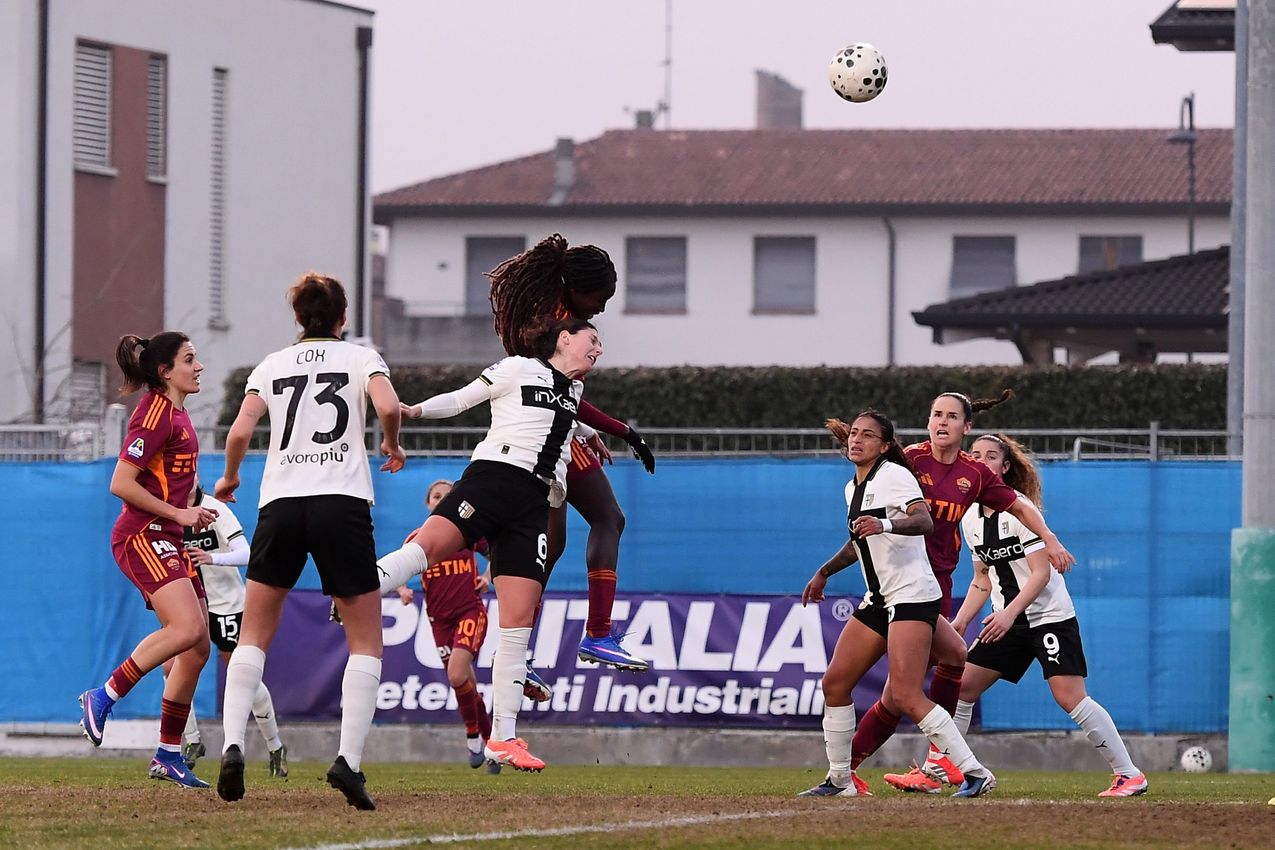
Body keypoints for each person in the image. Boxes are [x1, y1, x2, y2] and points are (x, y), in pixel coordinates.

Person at [375, 317, 604, 772]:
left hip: (534, 505)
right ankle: (362, 587)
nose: (598, 350)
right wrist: (415, 411)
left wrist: (589, 432)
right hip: (495, 478)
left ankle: (503, 737)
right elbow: (462, 399)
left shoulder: (573, 394)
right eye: (593, 340)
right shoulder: (518, 367)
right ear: (565, 338)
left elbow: (559, 422)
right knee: (429, 545)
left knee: (518, 621)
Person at [214, 272, 406, 810]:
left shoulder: (272, 364)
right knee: (365, 641)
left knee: (252, 634)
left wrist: (229, 478)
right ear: (342, 317)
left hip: (280, 505)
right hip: (340, 504)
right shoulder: (360, 356)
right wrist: (391, 445)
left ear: (298, 318)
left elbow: (238, 431)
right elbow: (388, 407)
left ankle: (232, 746)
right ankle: (348, 761)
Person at [851, 391, 1077, 794]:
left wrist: (1050, 537)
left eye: (951, 416)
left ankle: (878, 768)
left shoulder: (973, 473)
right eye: (936, 414)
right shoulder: (908, 460)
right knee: (907, 685)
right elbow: (869, 481)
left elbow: (1020, 507)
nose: (941, 422)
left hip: (932, 586)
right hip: (898, 583)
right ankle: (930, 766)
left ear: (965, 427)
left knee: (923, 676)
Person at [798, 411, 996, 799]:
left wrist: (885, 524)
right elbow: (861, 541)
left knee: (905, 694)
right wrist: (824, 572)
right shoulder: (852, 488)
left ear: (886, 445)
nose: (856, 440)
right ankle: (840, 780)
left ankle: (974, 772)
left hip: (911, 596)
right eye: (853, 434)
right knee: (835, 684)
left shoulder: (894, 475)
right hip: (881, 598)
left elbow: (923, 521)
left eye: (867, 435)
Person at [487, 233, 655, 676]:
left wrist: (581, 428)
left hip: (550, 434)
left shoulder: (544, 314)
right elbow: (554, 392)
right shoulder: (555, 323)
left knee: (550, 545)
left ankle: (517, 653)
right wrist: (623, 430)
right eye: (599, 298)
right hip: (544, 441)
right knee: (607, 518)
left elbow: (553, 391)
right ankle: (597, 634)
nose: (600, 308)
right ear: (576, 286)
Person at [949, 433, 1147, 798]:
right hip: (1007, 617)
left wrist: (1008, 615)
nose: (980, 461)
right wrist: (960, 621)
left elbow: (1041, 574)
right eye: (974, 455)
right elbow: (981, 579)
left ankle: (1128, 774)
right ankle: (946, 770)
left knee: (1069, 696)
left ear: (1004, 468)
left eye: (990, 456)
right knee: (963, 687)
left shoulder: (1019, 507)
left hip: (1048, 617)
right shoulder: (970, 516)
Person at [78, 332, 220, 788]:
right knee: (187, 631)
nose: (198, 367)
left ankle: (168, 753)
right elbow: (121, 482)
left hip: (168, 536)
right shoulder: (156, 410)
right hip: (141, 534)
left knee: (197, 648)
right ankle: (102, 696)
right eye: (189, 360)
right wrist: (180, 512)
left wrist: (194, 508)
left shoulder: (178, 414)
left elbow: (168, 483)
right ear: (165, 371)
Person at [176, 478, 288, 778]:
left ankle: (275, 746)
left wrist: (212, 557)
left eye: (191, 473)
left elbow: (247, 553)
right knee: (173, 669)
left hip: (226, 605)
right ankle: (192, 741)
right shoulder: (169, 510)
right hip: (187, 604)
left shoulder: (215, 509)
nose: (186, 479)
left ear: (197, 478)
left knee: (240, 673)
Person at [389, 479, 497, 772]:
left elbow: (497, 554)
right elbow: (395, 569)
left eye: (447, 497)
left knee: (456, 674)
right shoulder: (417, 539)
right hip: (439, 621)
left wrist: (487, 578)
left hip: (469, 612)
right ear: (428, 504)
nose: (440, 500)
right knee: (465, 683)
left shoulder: (469, 534)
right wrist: (402, 591)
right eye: (436, 497)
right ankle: (493, 741)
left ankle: (474, 736)